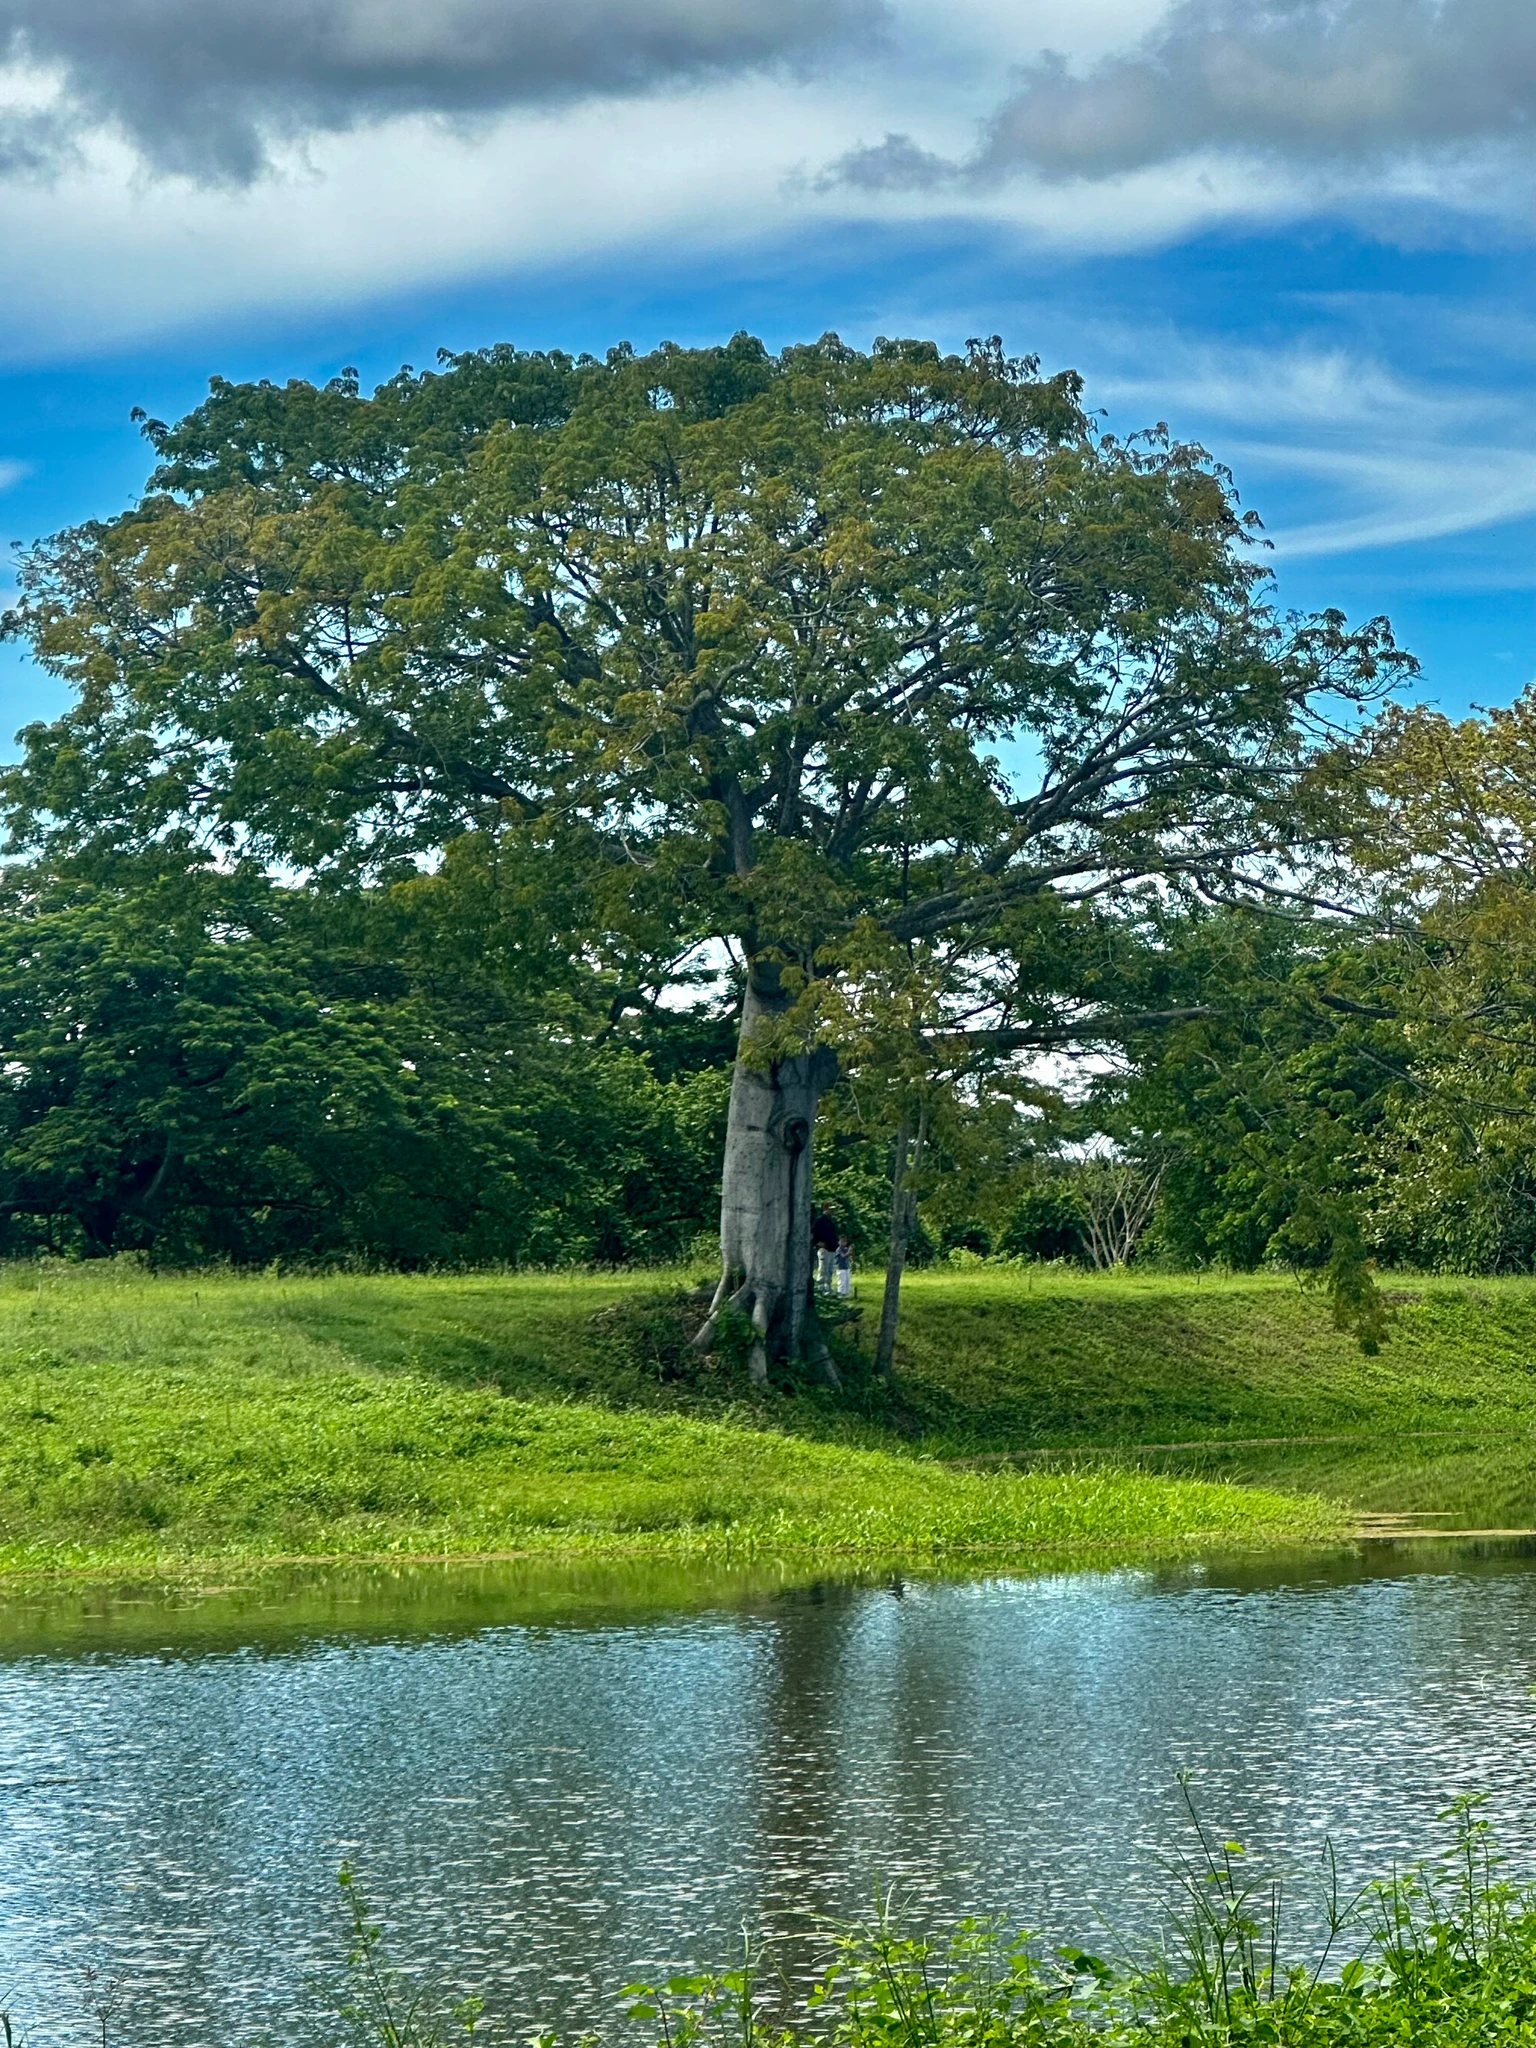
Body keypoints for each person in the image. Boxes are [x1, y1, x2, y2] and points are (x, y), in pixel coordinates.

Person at [811, 1204, 839, 1292]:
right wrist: (817, 1242)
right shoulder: (820, 1220)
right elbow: (814, 1232)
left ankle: (828, 1285)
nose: (832, 1211)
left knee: (830, 1269)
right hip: (824, 1248)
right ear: (825, 1209)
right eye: (830, 1209)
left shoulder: (831, 1221)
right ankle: (821, 1286)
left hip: (832, 1248)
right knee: (823, 1268)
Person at [835, 1234, 853, 1298]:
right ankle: (841, 1293)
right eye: (842, 1241)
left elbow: (849, 1256)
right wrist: (849, 1251)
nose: (843, 1243)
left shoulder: (845, 1249)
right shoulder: (838, 1250)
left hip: (846, 1267)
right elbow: (843, 1256)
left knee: (847, 1281)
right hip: (840, 1268)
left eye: (845, 1241)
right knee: (842, 1281)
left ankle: (847, 1293)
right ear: (839, 1242)